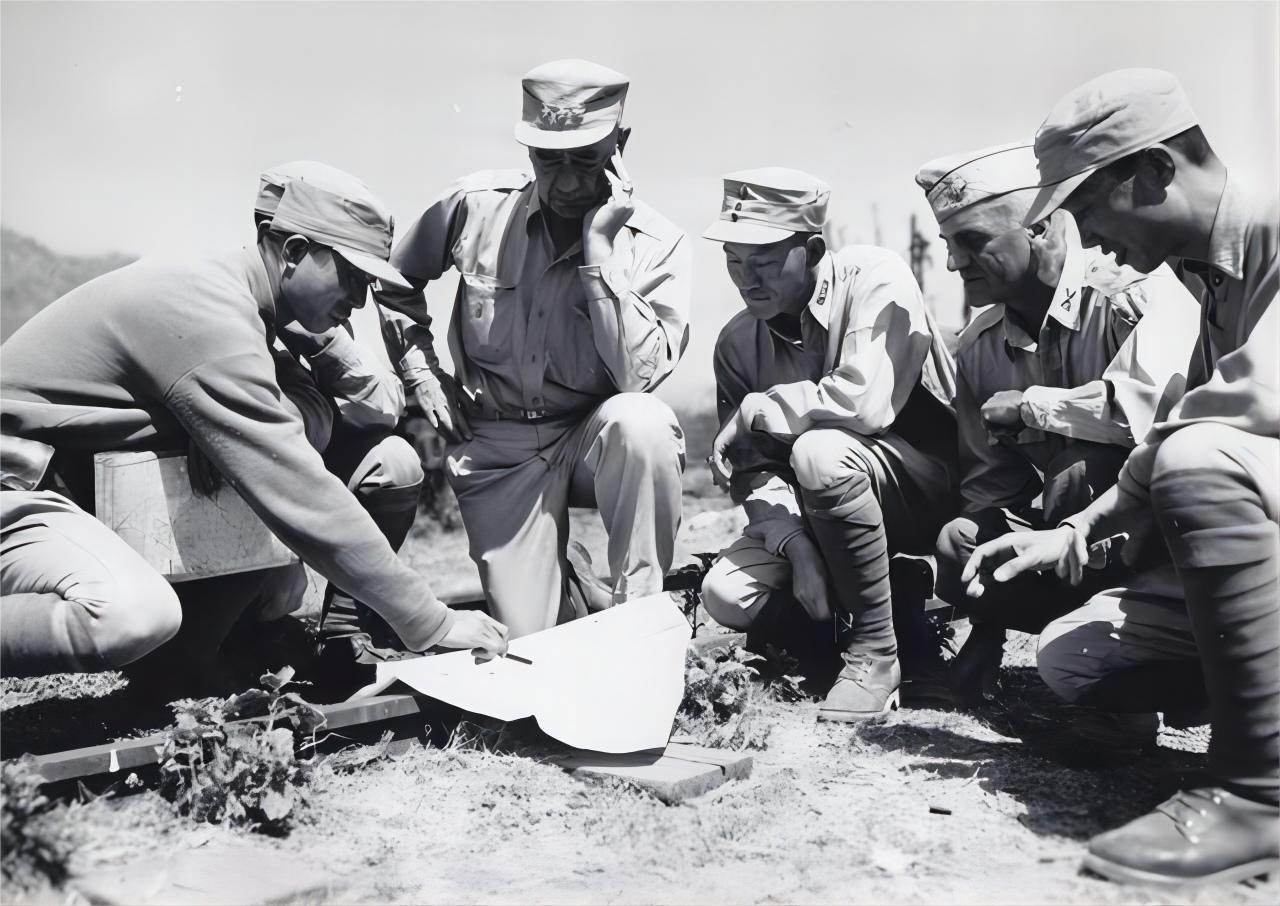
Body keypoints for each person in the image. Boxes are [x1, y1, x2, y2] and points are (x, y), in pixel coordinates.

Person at [0, 167, 508, 683]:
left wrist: (317, 351)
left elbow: (362, 407)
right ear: (293, 252)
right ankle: (178, 663)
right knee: (130, 615)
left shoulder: (258, 305)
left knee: (379, 467)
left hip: (85, 484)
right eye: (352, 277)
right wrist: (431, 620)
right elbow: (294, 487)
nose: (359, 300)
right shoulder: (206, 307)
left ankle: (215, 653)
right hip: (21, 484)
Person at [963, 69, 1277, 886]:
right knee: (1074, 659)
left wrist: (1094, 512)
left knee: (1200, 459)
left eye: (1091, 207)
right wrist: (1075, 530)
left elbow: (1232, 417)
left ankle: (1258, 795)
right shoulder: (1211, 273)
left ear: (1154, 169)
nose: (1092, 241)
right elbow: (1189, 417)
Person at [375, 59, 690, 638]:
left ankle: (640, 625)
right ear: (528, 150)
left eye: (586, 160)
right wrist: (422, 374)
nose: (566, 183)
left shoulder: (656, 244)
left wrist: (600, 253)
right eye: (549, 160)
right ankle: (574, 584)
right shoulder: (474, 206)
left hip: (593, 438)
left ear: (620, 146)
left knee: (643, 422)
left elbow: (637, 380)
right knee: (531, 640)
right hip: (500, 446)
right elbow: (394, 280)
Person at [916, 142, 1199, 704]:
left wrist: (1030, 406)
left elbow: (1149, 419)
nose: (953, 264)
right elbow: (991, 483)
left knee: (1078, 470)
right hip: (1070, 540)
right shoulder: (979, 346)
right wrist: (986, 622)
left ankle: (1130, 673)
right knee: (960, 541)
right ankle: (1062, 646)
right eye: (948, 245)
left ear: (1039, 228)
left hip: (1166, 533)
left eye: (971, 241)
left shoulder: (1131, 290)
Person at [698, 167, 959, 722]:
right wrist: (795, 547)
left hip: (924, 497)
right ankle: (883, 621)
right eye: (734, 261)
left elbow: (863, 404)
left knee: (819, 451)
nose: (746, 280)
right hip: (822, 513)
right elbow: (754, 471)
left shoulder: (875, 276)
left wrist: (757, 408)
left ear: (812, 249)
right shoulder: (737, 342)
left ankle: (876, 653)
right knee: (725, 592)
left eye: (764, 261)